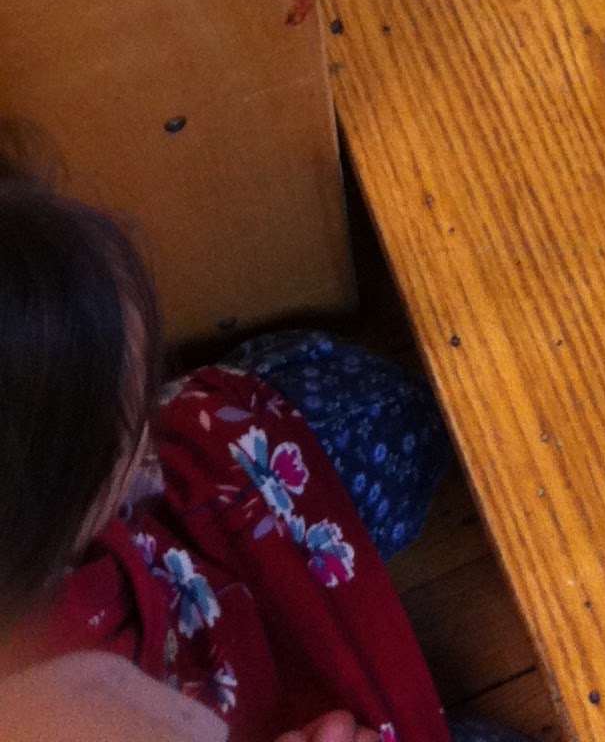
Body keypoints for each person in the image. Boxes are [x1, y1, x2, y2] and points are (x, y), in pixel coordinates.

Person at [0, 145, 496, 742]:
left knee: (385, 412)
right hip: (196, 672)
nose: (149, 460)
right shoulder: (75, 717)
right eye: (128, 431)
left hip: (158, 569)